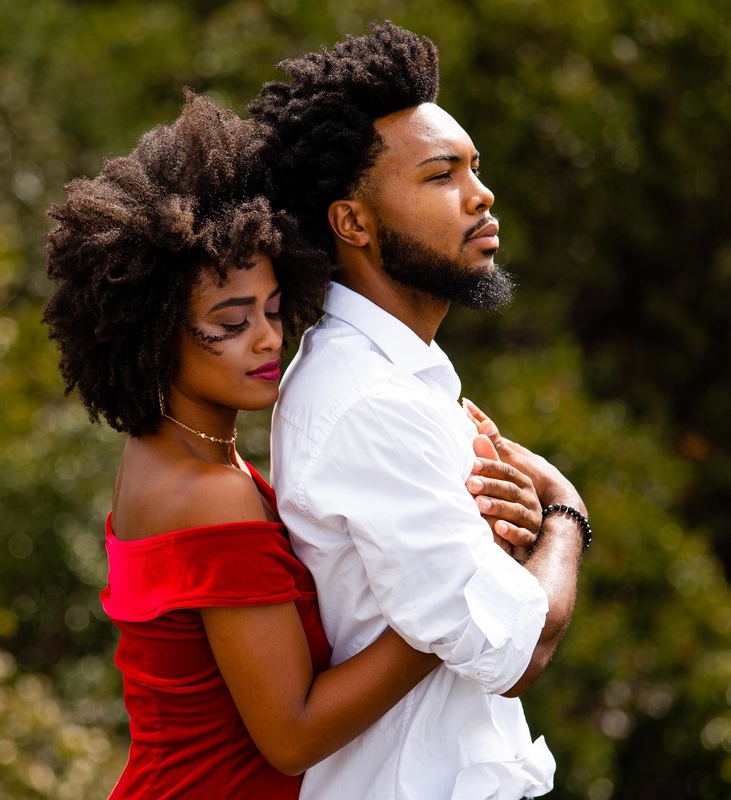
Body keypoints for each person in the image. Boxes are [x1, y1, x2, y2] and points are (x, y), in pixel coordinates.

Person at [42, 91, 553, 798]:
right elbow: (292, 736)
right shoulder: (208, 493)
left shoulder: (174, 457)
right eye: (230, 323)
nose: (267, 340)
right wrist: (461, 593)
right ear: (152, 334)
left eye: (274, 309)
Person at [250, 22, 591, 799]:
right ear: (353, 222)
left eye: (475, 167)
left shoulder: (402, 379)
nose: (481, 194)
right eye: (442, 175)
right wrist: (565, 512)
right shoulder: (368, 403)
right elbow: (517, 652)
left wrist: (514, 548)